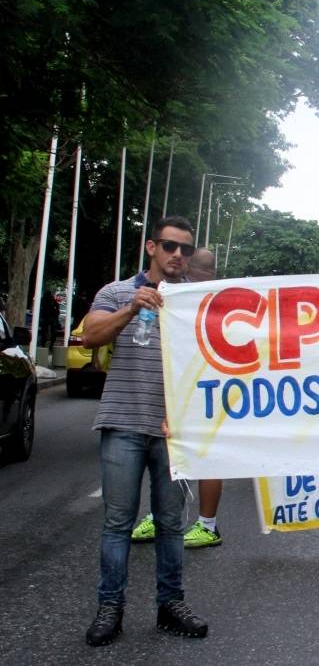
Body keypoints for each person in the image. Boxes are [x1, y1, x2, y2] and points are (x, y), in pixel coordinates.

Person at [83, 216, 208, 646]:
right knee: (118, 522)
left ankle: (171, 604)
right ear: (152, 247)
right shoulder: (117, 292)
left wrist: (191, 417)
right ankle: (110, 608)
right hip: (123, 423)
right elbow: (90, 336)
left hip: (174, 432)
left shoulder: (196, 301)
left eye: (186, 249)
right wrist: (133, 307)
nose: (178, 255)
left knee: (171, 524)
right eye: (170, 246)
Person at [131, 247, 223, 549]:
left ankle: (206, 525)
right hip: (186, 389)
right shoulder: (179, 296)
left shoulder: (203, 296)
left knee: (202, 456)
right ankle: (171, 518)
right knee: (177, 453)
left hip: (205, 388)